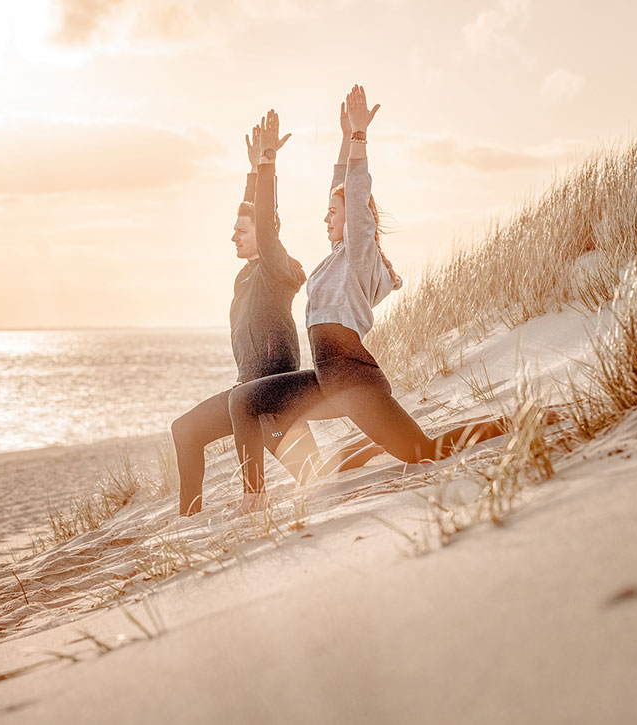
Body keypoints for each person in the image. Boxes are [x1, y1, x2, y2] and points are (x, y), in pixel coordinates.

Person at [226, 86, 511, 516]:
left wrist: (359, 138)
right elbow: (341, 186)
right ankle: (254, 500)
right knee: (243, 401)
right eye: (326, 211)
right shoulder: (337, 259)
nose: (326, 217)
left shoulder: (360, 258)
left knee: (422, 452)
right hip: (326, 382)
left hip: (354, 381)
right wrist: (344, 140)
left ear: (356, 223)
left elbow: (354, 194)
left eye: (332, 213)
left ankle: (511, 423)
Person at [171, 118, 322, 517]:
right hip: (245, 395)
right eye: (234, 229)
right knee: (184, 430)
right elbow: (257, 214)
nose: (233, 236)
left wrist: (267, 165)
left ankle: (254, 499)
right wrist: (252, 171)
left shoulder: (276, 268)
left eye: (241, 230)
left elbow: (266, 223)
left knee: (319, 476)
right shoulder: (249, 272)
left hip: (273, 396)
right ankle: (189, 517)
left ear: (266, 232)